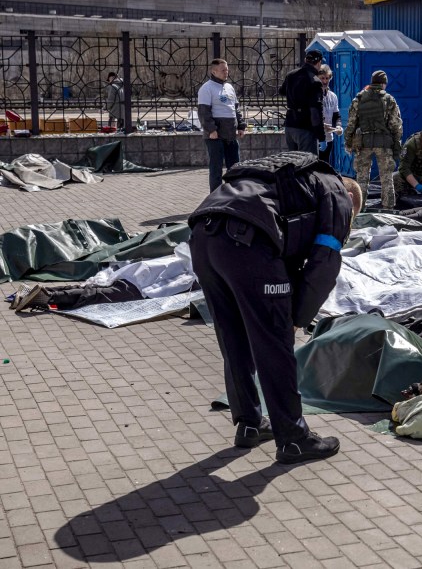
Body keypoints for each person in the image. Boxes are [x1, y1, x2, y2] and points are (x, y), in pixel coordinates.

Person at [187, 151, 362, 464]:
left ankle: (248, 424)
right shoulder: (338, 194)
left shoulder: (292, 178)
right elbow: (323, 263)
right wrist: (296, 318)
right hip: (248, 244)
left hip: (204, 235)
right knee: (274, 342)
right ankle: (294, 438)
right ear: (350, 196)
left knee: (233, 335)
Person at [10, 243, 197, 311]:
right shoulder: (192, 272)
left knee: (90, 289)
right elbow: (171, 285)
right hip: (138, 286)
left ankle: (44, 290)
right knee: (94, 294)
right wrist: (149, 295)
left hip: (130, 275)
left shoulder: (178, 257)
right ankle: (48, 297)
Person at [344, 70, 402, 210]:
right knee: (386, 178)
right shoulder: (389, 99)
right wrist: (396, 145)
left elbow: (351, 123)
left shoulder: (358, 98)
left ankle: (359, 208)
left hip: (363, 143)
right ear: (383, 84)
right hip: (384, 144)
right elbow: (396, 125)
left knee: (362, 179)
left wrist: (348, 142)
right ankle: (388, 209)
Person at [198, 58, 247, 192]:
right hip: (215, 136)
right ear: (214, 71)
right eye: (223, 70)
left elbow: (235, 109)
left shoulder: (229, 87)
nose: (226, 72)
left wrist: (241, 126)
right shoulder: (206, 88)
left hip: (231, 134)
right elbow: (203, 112)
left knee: (235, 167)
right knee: (216, 168)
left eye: (227, 69)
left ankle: (234, 195)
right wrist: (211, 130)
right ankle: (215, 197)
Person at [278, 50, 325, 154]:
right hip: (305, 128)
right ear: (318, 63)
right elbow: (315, 111)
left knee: (294, 163)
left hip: (290, 126)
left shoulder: (291, 75)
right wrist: (321, 136)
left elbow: (281, 91)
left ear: (305, 60)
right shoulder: (315, 81)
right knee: (307, 165)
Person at [317, 64, 343, 167]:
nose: (324, 81)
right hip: (316, 138)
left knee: (326, 165)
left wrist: (338, 126)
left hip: (328, 138)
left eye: (327, 78)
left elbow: (337, 115)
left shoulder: (333, 96)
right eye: (322, 78)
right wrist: (321, 125)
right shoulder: (315, 95)